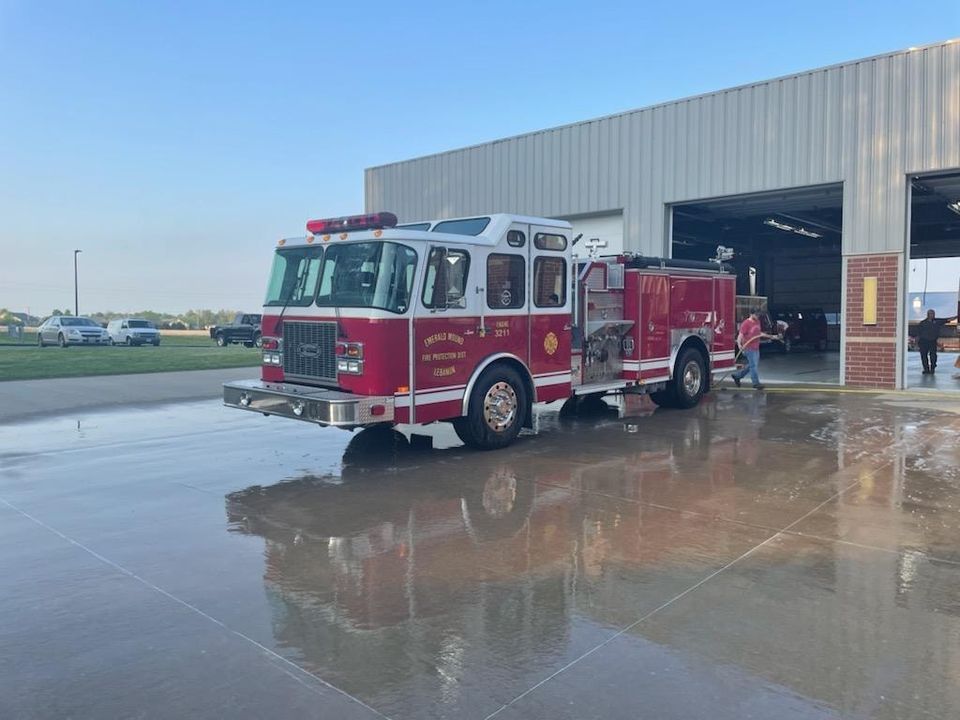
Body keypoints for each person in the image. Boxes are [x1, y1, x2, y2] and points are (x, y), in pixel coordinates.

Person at [732, 309, 774, 390]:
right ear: (751, 314)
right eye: (756, 315)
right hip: (748, 348)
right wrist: (739, 345)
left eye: (758, 315)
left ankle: (737, 376)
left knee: (752, 365)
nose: (758, 316)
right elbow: (740, 335)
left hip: (756, 348)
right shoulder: (746, 323)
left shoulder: (757, 322)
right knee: (753, 366)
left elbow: (759, 333)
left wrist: (771, 336)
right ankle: (756, 383)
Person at [916, 309, 947, 375]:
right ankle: (926, 369)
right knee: (924, 356)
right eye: (931, 314)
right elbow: (918, 333)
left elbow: (947, 319)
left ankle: (932, 368)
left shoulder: (937, 321)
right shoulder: (922, 323)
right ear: (928, 315)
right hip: (923, 341)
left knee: (933, 356)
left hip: (932, 341)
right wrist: (917, 342)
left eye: (933, 314)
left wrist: (957, 316)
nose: (932, 315)